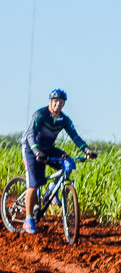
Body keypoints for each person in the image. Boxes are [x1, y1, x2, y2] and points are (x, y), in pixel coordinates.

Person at [20, 89, 97, 234]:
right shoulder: (40, 115)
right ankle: (28, 219)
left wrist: (87, 150)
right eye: (55, 101)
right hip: (31, 148)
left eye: (61, 102)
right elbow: (30, 135)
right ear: (50, 102)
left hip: (48, 148)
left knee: (68, 162)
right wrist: (37, 152)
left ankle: (52, 191)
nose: (58, 104)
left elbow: (75, 136)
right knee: (34, 184)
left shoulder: (64, 120)